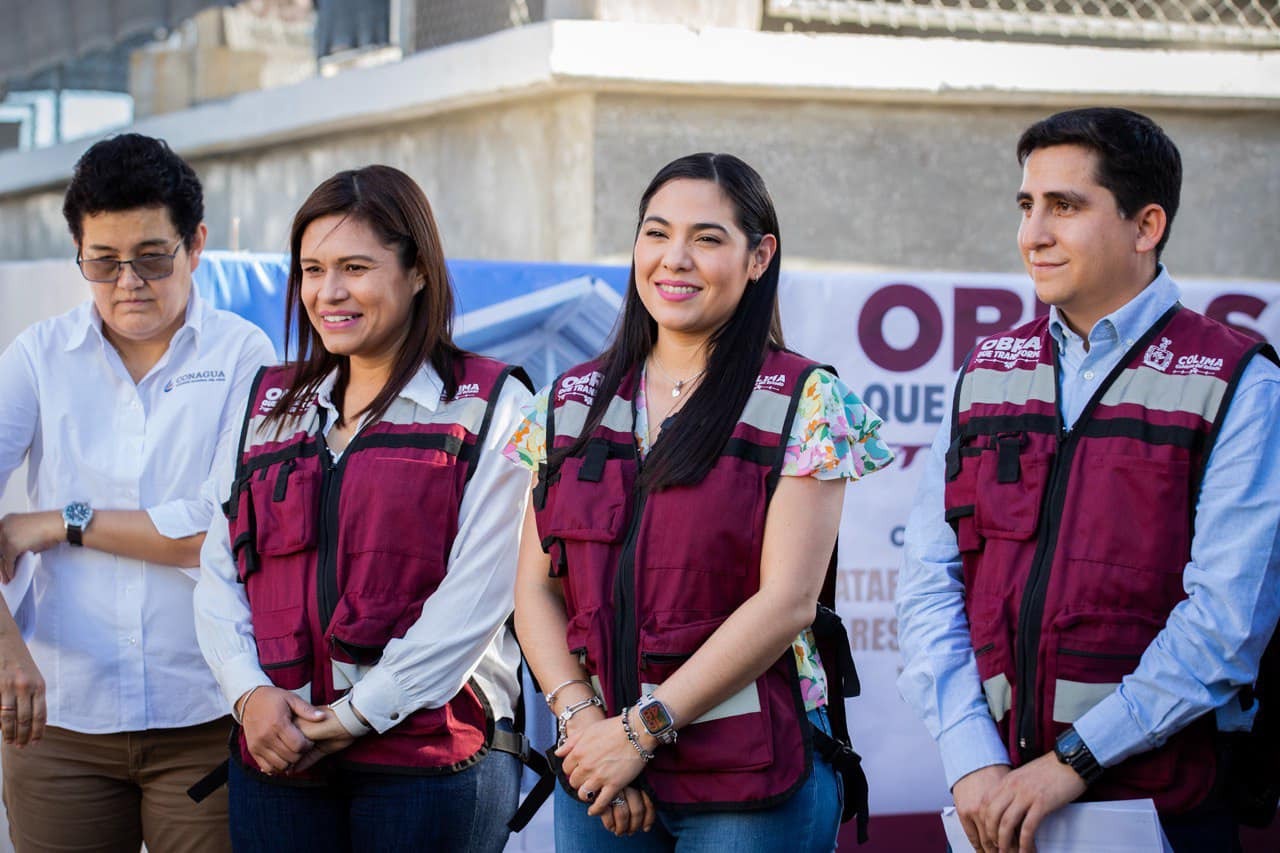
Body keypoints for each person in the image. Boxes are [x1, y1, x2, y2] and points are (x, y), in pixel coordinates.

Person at [896, 107, 1280, 853]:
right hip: (996, 803)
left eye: (1065, 206)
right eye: (1027, 205)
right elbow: (928, 581)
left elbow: (1228, 622)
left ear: (1146, 226)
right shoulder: (985, 371)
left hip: (1165, 811)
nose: (1033, 234)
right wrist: (970, 756)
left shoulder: (1238, 381)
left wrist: (1072, 763)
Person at [507, 152, 892, 851]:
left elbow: (788, 601)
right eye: (656, 233)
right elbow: (535, 588)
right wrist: (586, 727)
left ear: (758, 256)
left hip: (751, 770)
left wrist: (638, 733)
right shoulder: (567, 404)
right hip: (599, 768)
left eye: (707, 238)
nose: (674, 259)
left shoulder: (805, 400)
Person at [194, 164, 533, 853]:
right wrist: (248, 694)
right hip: (279, 756)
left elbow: (481, 594)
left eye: (355, 267)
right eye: (312, 270)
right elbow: (218, 571)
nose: (329, 292)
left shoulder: (499, 404)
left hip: (434, 761)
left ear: (418, 272)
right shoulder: (265, 405)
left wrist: (357, 714)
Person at [0, 133, 276, 852]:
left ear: (196, 244)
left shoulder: (244, 355)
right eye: (103, 262)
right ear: (79, 253)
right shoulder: (37, 357)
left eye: (152, 257)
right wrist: (5, 648)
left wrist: (59, 521)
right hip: (61, 719)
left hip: (207, 710)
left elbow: (217, 531)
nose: (128, 282)